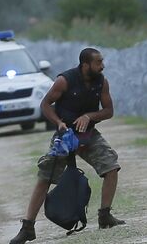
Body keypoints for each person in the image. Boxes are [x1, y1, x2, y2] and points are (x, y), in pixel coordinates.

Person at [10, 48, 125, 244]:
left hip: (88, 134)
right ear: (85, 64)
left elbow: (108, 111)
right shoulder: (65, 80)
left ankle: (105, 216)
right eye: (98, 62)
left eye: (102, 61)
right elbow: (45, 104)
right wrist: (58, 123)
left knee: (111, 167)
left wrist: (89, 116)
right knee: (45, 177)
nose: (102, 66)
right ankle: (28, 227)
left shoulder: (101, 82)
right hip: (65, 136)